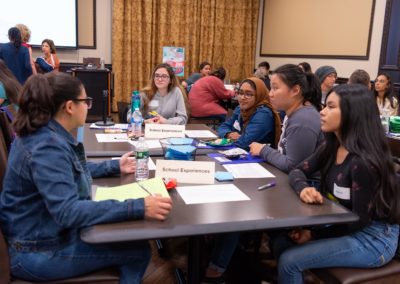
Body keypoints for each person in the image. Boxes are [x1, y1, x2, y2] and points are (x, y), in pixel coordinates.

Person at [0, 72, 173, 283]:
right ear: (70, 106)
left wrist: (114, 166)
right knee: (138, 251)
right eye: (86, 101)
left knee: (128, 241)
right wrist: (140, 207)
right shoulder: (47, 146)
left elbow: (66, 171)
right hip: (36, 252)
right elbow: (69, 212)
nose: (88, 106)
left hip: (38, 238)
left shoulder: (44, 134)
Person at [278, 84, 400, 283]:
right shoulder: (331, 145)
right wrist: (303, 188)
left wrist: (313, 234)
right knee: (282, 241)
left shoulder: (363, 162)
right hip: (342, 221)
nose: (322, 112)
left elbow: (359, 221)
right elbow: (297, 171)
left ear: (353, 114)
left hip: (373, 239)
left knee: (289, 260)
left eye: (331, 107)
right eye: (325, 105)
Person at [250, 64, 323, 174]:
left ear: (295, 90)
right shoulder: (296, 113)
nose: (270, 94)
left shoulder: (303, 119)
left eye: (275, 88)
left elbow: (294, 166)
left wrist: (263, 150)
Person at [217, 77, 281, 151]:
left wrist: (231, 138)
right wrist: (228, 134)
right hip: (240, 152)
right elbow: (223, 127)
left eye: (248, 94)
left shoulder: (264, 114)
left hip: (260, 159)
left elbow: (244, 143)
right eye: (240, 93)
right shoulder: (241, 108)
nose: (242, 97)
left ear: (258, 95)